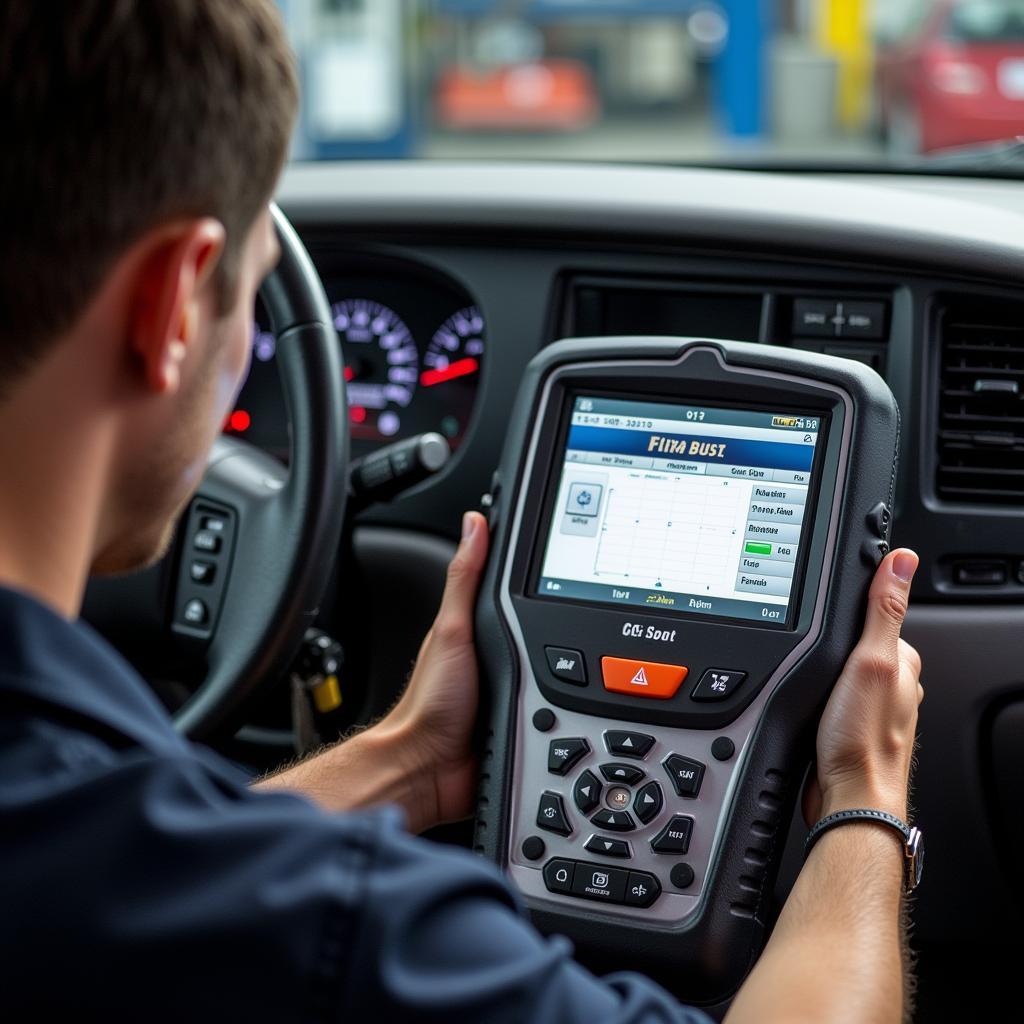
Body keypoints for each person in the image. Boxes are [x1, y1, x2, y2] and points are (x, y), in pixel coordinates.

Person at [0, 3, 923, 1021]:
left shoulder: (94, 853)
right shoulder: (339, 936)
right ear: (171, 304)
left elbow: (132, 875)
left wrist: (411, 756)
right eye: (251, 294)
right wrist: (862, 798)